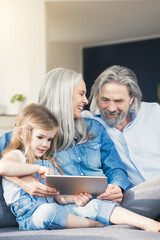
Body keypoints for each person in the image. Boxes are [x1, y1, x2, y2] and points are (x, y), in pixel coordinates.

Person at [2, 103, 160, 232]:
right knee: (47, 212)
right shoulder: (18, 156)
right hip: (31, 217)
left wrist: (74, 198)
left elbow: (59, 197)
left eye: (49, 139)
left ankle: (146, 223)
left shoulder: (49, 163)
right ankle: (95, 225)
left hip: (58, 209)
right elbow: (4, 167)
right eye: (40, 137)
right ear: (22, 134)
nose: (45, 144)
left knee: (94, 205)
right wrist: (35, 169)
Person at [0, 67, 131, 205]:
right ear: (63, 95)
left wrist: (117, 187)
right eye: (81, 94)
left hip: (107, 202)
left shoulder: (95, 128)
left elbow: (115, 167)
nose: (86, 101)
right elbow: (4, 164)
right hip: (73, 208)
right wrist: (22, 181)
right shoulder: (34, 133)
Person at [82, 65, 160, 219]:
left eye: (118, 101)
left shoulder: (154, 112)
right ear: (97, 96)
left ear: (131, 98)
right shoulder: (88, 122)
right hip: (133, 198)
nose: (111, 108)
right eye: (105, 100)